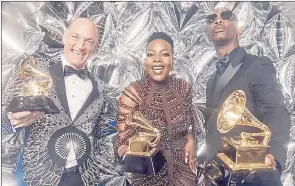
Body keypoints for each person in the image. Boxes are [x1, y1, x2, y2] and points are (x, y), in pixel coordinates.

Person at [2, 18, 111, 186]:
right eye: (75, 37)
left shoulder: (101, 88)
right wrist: (13, 121)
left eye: (89, 41)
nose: (81, 46)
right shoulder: (35, 69)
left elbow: (102, 134)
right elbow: (3, 114)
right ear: (64, 37)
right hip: (36, 175)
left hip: (83, 179)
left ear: (96, 47)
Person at [204, 7, 291, 184]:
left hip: (254, 176)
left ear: (239, 29)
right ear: (208, 35)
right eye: (212, 18)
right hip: (221, 177)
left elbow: (276, 112)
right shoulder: (211, 81)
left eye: (226, 16)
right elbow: (214, 128)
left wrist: (272, 156)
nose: (218, 20)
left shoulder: (258, 64)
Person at [115, 32, 199, 186]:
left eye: (165, 54)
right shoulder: (134, 91)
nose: (157, 60)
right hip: (148, 177)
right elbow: (121, 138)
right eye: (151, 54)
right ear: (145, 60)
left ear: (172, 60)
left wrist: (191, 139)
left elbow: (190, 126)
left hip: (184, 174)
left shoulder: (183, 88)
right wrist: (126, 150)